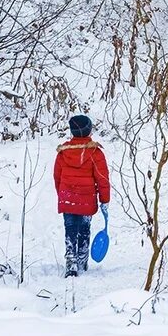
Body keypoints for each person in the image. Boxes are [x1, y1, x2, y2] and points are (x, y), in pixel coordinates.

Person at [54, 114, 111, 278]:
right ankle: (82, 260)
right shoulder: (95, 152)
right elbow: (103, 178)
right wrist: (104, 199)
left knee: (70, 229)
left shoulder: (63, 153)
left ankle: (71, 261)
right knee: (84, 229)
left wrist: (63, 195)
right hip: (86, 199)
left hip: (67, 197)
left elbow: (57, 177)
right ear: (89, 130)